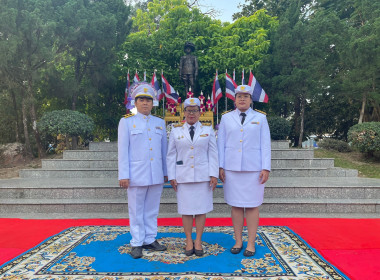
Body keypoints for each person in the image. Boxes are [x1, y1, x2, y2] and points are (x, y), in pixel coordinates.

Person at [217, 85, 271, 257]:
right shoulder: (226, 118)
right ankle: (238, 240)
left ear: (251, 99)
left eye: (245, 96)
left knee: (253, 205)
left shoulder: (260, 118)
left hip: (254, 169)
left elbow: (265, 144)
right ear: (235, 99)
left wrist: (265, 167)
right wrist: (220, 166)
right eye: (239, 96)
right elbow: (221, 144)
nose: (242, 99)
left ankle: (251, 242)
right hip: (232, 169)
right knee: (236, 205)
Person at [118, 82, 168, 259]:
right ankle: (137, 242)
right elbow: (123, 150)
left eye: (148, 100)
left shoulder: (160, 123)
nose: (145, 103)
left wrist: (165, 172)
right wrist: (124, 174)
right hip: (136, 174)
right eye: (141, 100)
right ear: (135, 103)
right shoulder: (126, 122)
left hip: (156, 174)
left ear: (153, 102)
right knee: (136, 209)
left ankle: (150, 238)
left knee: (152, 209)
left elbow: (164, 150)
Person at [167, 98, 218, 257]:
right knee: (187, 211)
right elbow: (171, 155)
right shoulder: (176, 131)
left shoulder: (208, 130)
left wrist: (214, 174)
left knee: (201, 210)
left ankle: (198, 240)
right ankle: (189, 240)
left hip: (203, 177)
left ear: (199, 112)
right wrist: (172, 175)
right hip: (183, 176)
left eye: (194, 110)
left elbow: (213, 153)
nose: (191, 113)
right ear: (184, 112)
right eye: (188, 110)